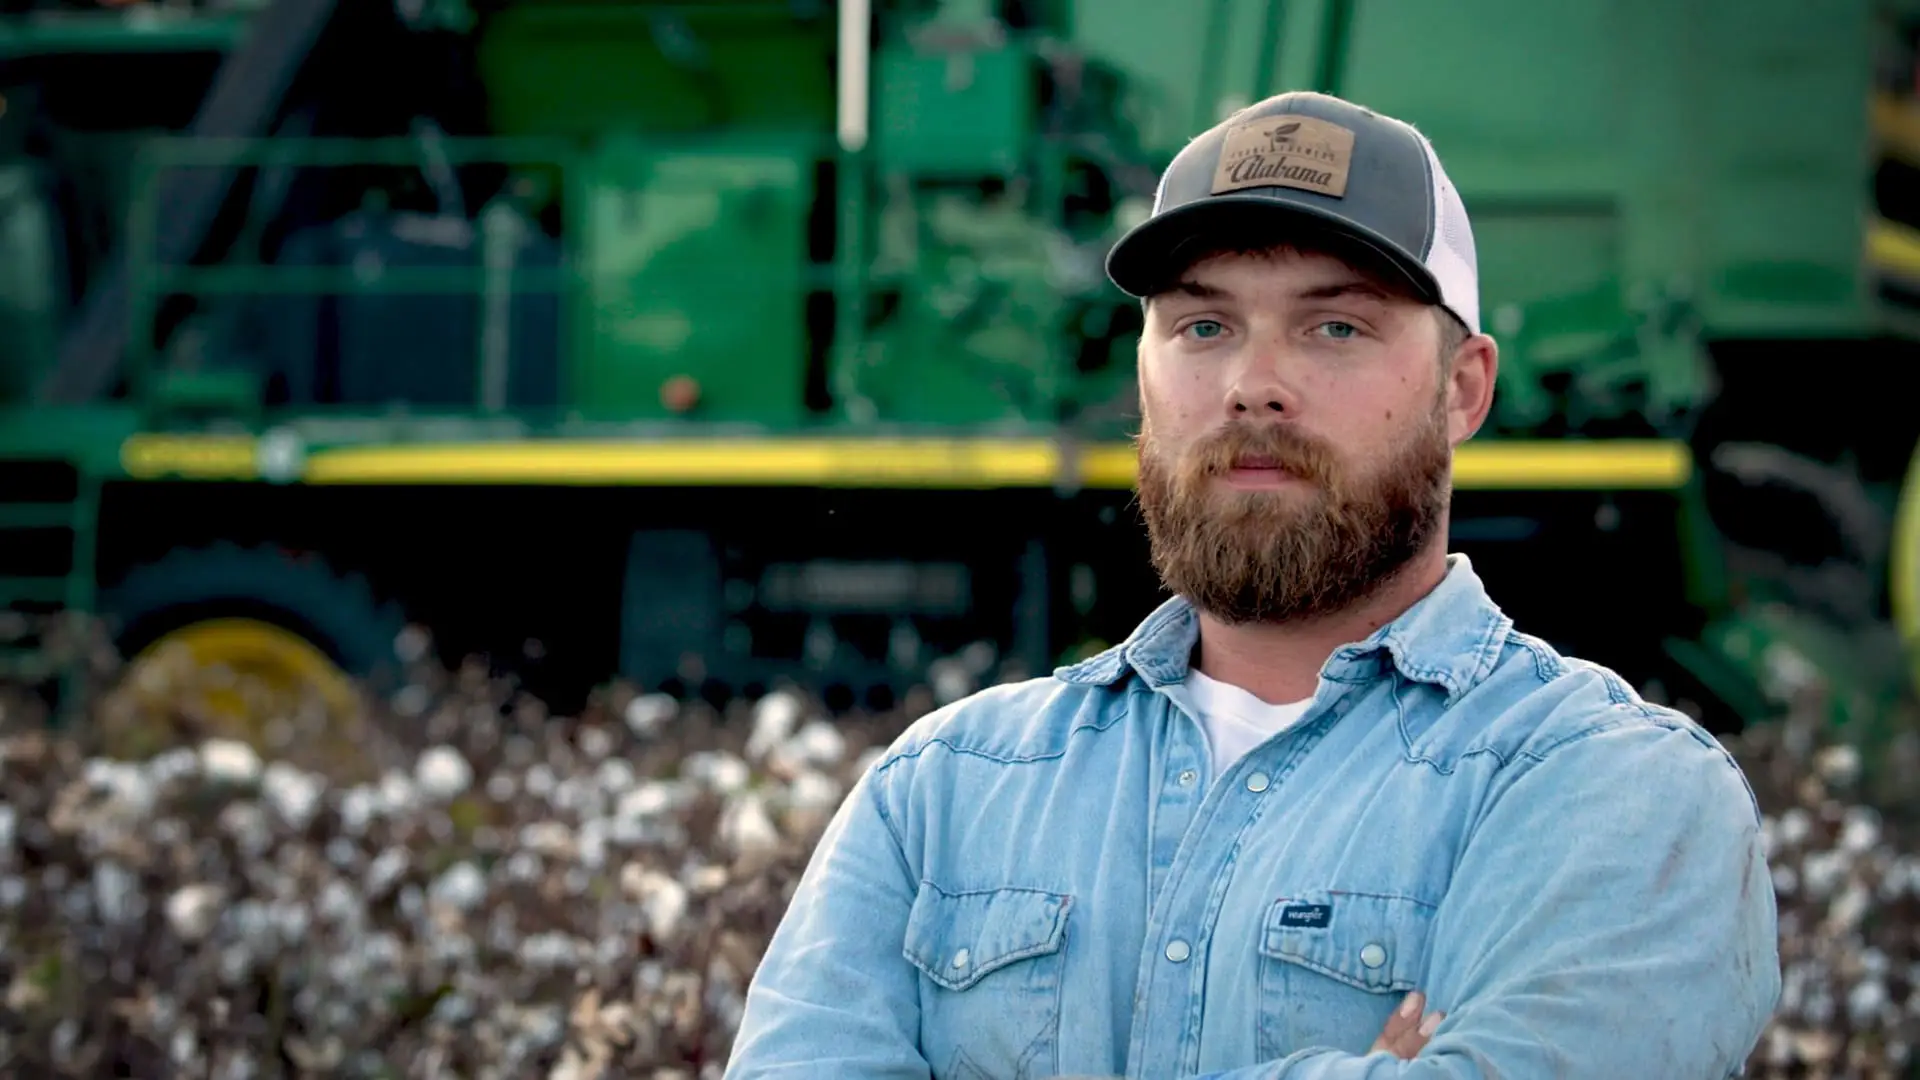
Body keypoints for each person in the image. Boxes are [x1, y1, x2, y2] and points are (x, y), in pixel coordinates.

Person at [723, 90, 1781, 1079]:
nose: (1251, 387)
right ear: (1141, 376)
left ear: (1464, 391)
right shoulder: (941, 793)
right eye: (1202, 326)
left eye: (1335, 326)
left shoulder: (1610, 792)